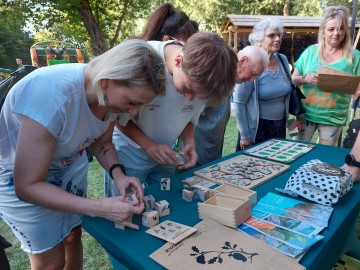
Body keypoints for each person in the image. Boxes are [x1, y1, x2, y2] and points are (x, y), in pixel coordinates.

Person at [0, 39, 166, 269]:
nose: (133, 112)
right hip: (19, 177)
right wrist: (99, 207)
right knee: (51, 262)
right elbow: (27, 186)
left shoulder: (107, 96)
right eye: (131, 102)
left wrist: (119, 174)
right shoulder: (51, 97)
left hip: (67, 166)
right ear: (108, 79)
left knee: (72, 236)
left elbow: (102, 142)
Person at [104, 31, 238, 196]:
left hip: (166, 157)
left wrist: (189, 142)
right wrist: (149, 145)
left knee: (163, 204)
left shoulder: (201, 79)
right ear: (178, 61)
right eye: (189, 89)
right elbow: (119, 118)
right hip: (129, 155)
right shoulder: (144, 60)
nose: (190, 98)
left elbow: (188, 117)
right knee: (125, 208)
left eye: (198, 96)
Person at [291, 6, 360, 146]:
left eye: (341, 28)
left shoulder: (354, 57)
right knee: (294, 152)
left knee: (321, 161)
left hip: (333, 119)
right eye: (331, 29)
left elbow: (358, 90)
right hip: (303, 115)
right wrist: (305, 78)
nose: (336, 33)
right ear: (322, 31)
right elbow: (291, 80)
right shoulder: (310, 52)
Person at [234, 18, 303, 151]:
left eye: (279, 35)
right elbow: (239, 102)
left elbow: (289, 92)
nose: (277, 39)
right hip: (257, 129)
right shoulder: (252, 63)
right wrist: (245, 135)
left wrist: (298, 116)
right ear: (259, 40)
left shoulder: (282, 59)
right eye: (271, 35)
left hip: (279, 126)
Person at [195, 45, 269, 165]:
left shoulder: (228, 80)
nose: (252, 80)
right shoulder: (214, 78)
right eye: (253, 73)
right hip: (194, 158)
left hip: (211, 156)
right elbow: (188, 118)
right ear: (243, 61)